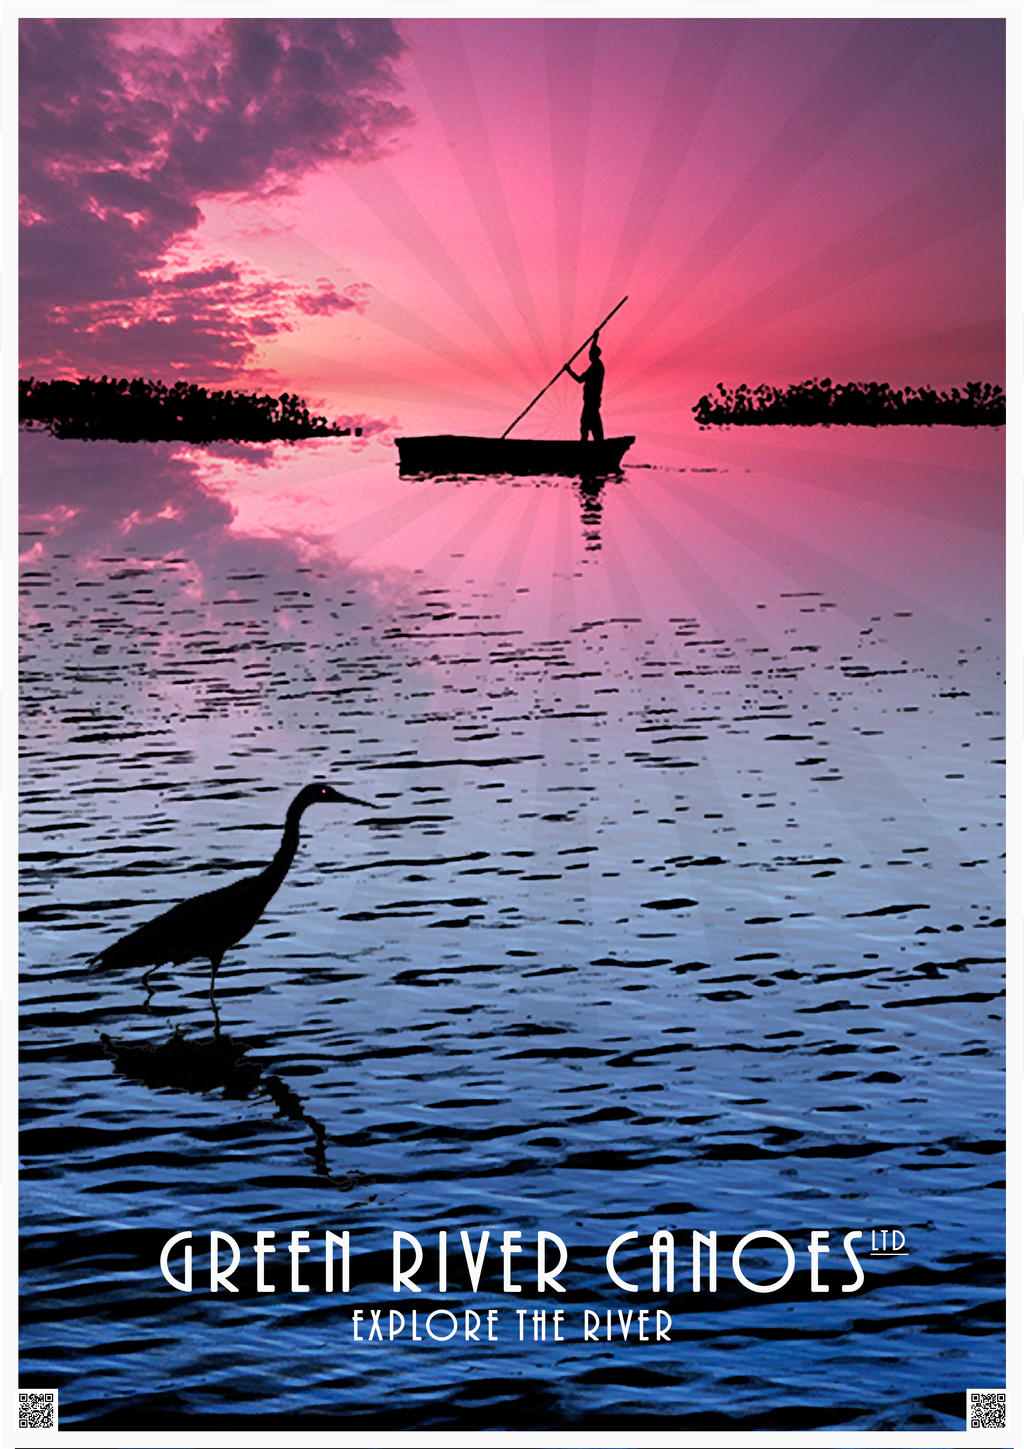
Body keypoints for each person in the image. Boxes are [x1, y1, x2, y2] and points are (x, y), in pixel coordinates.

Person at [564, 335, 605, 442]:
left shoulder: (596, 367)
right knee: (587, 424)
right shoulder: (595, 366)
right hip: (591, 401)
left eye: (591, 354)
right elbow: (592, 349)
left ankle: (589, 444)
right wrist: (595, 338)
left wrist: (568, 370)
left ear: (594, 355)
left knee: (589, 424)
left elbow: (579, 379)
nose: (589, 356)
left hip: (592, 401)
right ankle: (588, 442)